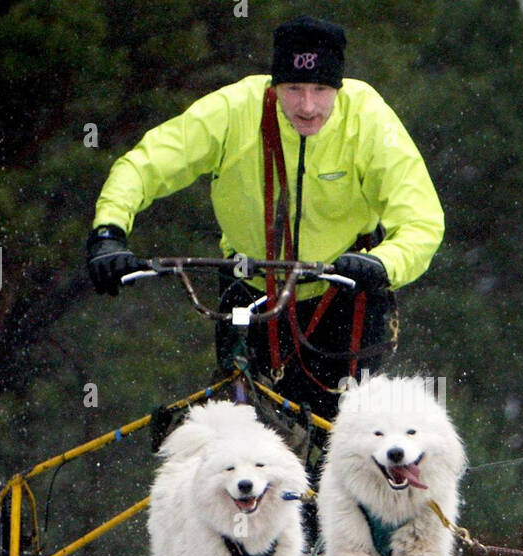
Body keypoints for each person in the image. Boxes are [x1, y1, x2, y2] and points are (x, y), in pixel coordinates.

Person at [86, 14, 444, 423]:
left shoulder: (368, 117)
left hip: (345, 294)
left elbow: (422, 221)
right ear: (274, 86)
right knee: (243, 433)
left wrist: (383, 264)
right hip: (248, 290)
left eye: (321, 90)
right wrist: (108, 233)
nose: (307, 106)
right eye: (293, 89)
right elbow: (144, 165)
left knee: (349, 434)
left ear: (339, 88)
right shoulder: (234, 109)